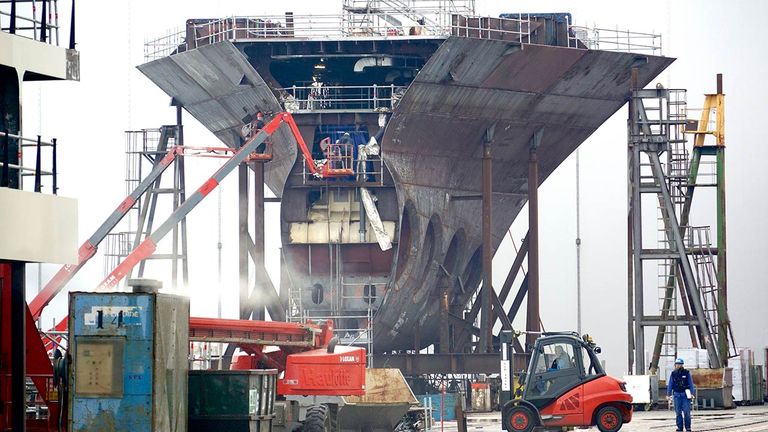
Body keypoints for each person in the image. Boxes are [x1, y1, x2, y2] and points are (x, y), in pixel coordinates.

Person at [667, 357, 695, 432]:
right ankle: (679, 428)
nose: (678, 366)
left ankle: (688, 427)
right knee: (678, 412)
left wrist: (692, 393)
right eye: (677, 364)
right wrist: (668, 394)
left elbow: (690, 383)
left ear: (682, 365)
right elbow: (670, 384)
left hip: (685, 396)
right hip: (676, 396)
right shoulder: (673, 374)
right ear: (675, 365)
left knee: (687, 412)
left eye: (680, 364)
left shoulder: (686, 373)